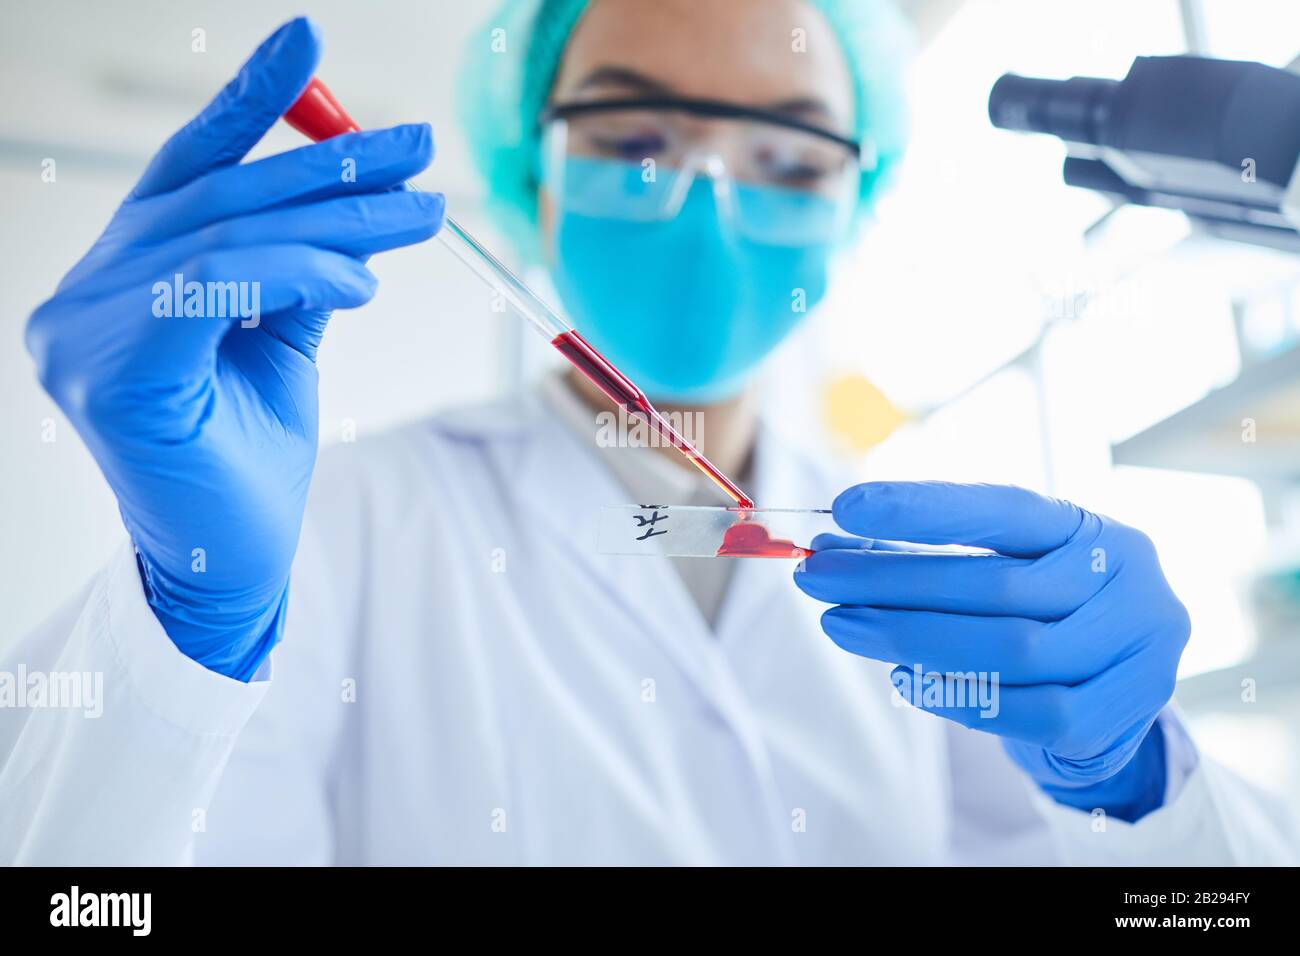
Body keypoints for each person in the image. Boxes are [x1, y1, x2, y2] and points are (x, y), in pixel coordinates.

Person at [3, 1, 1296, 865]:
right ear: (529, 169)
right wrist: (181, 628)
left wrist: (1133, 785)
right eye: (631, 136)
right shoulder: (340, 528)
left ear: (861, 199)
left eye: (788, 161)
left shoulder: (948, 583)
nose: (706, 202)